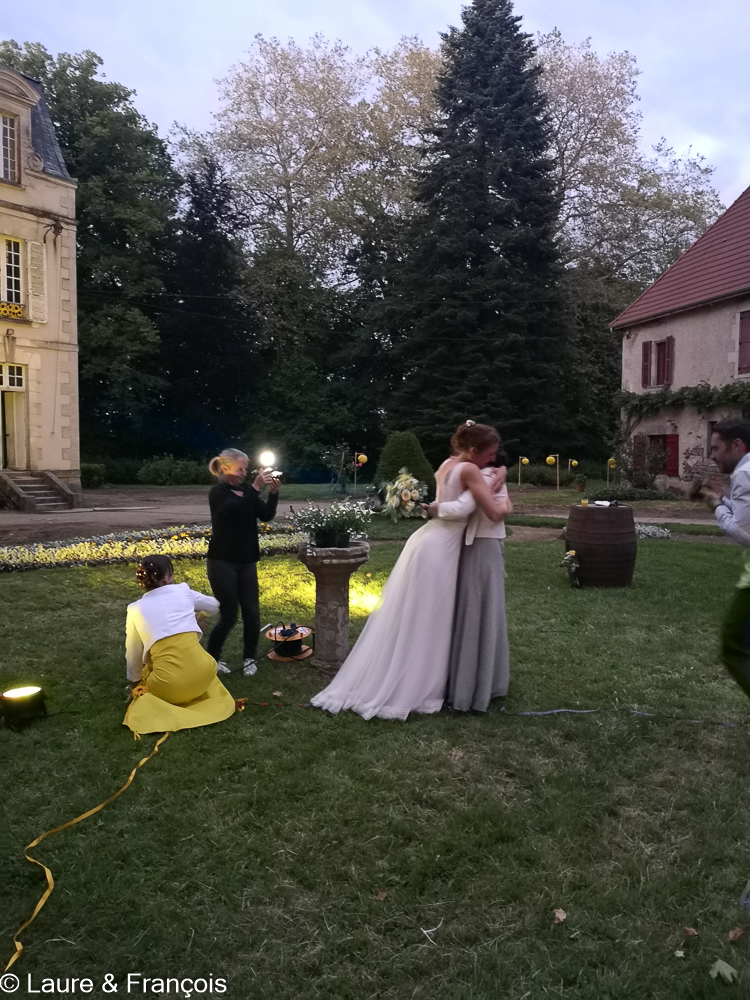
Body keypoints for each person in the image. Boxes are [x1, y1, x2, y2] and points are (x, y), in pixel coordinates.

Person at [310, 422, 510, 721]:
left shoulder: (447, 465)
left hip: (427, 540)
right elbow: (460, 508)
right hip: (441, 548)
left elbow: (452, 499)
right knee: (431, 620)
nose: (493, 459)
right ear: (472, 450)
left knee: (414, 615)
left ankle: (412, 674)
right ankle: (420, 687)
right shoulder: (469, 469)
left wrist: (497, 473)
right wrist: (500, 502)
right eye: (490, 454)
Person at [430, 453, 512, 712]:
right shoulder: (485, 475)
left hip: (473, 545)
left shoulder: (462, 470)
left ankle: (464, 684)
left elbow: (462, 505)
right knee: (483, 613)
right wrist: (506, 502)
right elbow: (495, 510)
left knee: (474, 613)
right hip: (483, 546)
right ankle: (477, 685)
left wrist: (433, 508)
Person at [124, 555, 236, 736]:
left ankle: (172, 695)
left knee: (148, 671)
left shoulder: (135, 609)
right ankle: (194, 689)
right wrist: (200, 617)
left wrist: (135, 687)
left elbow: (133, 657)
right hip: (204, 676)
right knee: (193, 663)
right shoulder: (183, 591)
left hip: (169, 687)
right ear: (166, 578)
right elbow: (214, 605)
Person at [206, 448, 280, 677]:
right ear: (225, 468)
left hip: (246, 560)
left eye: (245, 469)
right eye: (240, 468)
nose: (244, 473)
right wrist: (256, 487)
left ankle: (249, 658)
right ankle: (212, 659)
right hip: (222, 561)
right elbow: (234, 511)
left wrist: (273, 493)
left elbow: (265, 514)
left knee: (252, 614)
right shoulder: (218, 493)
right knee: (229, 615)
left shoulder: (246, 491)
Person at [692, 419, 750, 699]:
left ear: (736, 445)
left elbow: (743, 532)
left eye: (716, 448)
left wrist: (716, 507)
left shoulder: (744, 474)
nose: (712, 455)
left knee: (734, 648)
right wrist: (722, 502)